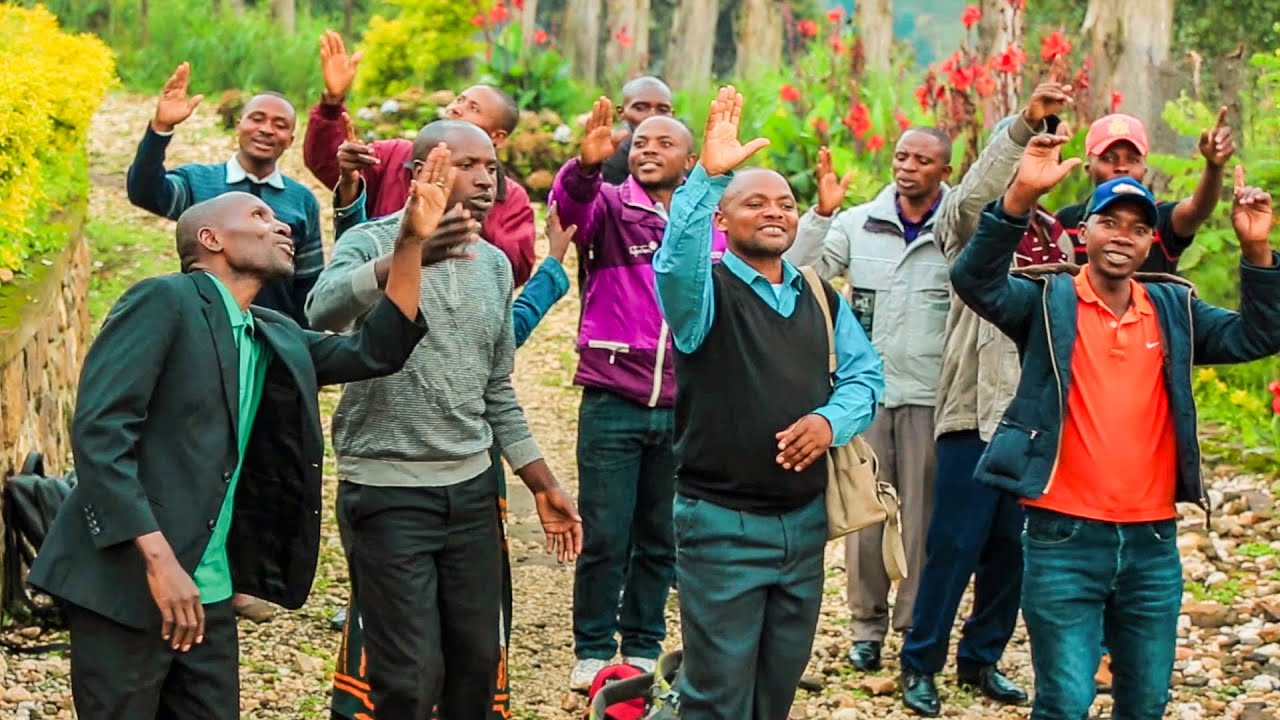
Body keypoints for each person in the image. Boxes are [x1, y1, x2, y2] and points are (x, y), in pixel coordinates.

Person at [27, 145, 461, 719]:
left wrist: (409, 242)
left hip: (209, 596)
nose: (281, 223)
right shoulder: (164, 301)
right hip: (129, 584)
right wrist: (160, 563)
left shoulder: (271, 334)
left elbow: (376, 350)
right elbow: (102, 435)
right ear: (212, 240)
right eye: (258, 217)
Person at [951, 127, 1280, 720]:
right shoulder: (1047, 302)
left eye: (1137, 227)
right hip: (1062, 538)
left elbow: (1258, 335)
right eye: (1110, 222)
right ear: (1085, 232)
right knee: (1067, 699)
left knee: (1146, 701)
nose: (1122, 236)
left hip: (1153, 543)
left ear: (1151, 239)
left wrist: (1257, 251)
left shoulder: (1175, 309)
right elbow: (973, 280)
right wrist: (1020, 196)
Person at [306, 118, 583, 720]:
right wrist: (409, 252)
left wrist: (542, 482)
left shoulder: (492, 266)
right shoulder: (372, 242)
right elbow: (321, 310)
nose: (486, 178)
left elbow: (495, 388)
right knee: (406, 679)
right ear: (418, 173)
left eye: (491, 167)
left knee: (476, 669)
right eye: (466, 165)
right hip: (387, 491)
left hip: (471, 494)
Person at [654, 86, 885, 720]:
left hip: (805, 524)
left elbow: (867, 378)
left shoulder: (818, 294)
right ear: (722, 221)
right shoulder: (707, 296)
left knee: (775, 688)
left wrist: (828, 420)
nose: (776, 212)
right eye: (754, 202)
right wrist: (707, 176)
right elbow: (675, 265)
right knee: (716, 694)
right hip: (721, 524)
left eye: (785, 203)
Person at [897, 81, 1072, 716]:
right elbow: (972, 195)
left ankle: (982, 659)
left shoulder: (1061, 240)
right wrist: (1022, 128)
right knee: (954, 544)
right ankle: (920, 662)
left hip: (1037, 423)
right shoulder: (974, 229)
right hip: (975, 410)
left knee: (1013, 551)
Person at [549, 98, 709, 690]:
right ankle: (592, 648)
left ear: (691, 161)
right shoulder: (611, 209)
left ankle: (642, 645)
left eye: (664, 143)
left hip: (681, 407)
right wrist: (585, 169)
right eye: (639, 141)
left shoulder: (707, 223)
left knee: (659, 535)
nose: (647, 149)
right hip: (612, 398)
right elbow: (568, 210)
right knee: (605, 533)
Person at [785, 127, 951, 675]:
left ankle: (913, 627)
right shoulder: (858, 223)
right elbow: (802, 271)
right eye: (901, 155)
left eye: (923, 161)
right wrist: (822, 215)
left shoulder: (958, 233)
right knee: (865, 512)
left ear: (944, 173)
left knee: (924, 521)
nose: (908, 167)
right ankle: (866, 627)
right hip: (869, 396)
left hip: (932, 398)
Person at [303, 31, 536, 285]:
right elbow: (325, 163)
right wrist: (332, 104)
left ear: (497, 136)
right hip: (379, 297)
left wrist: (474, 213)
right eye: (460, 100)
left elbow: (514, 273)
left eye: (474, 109)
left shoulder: (508, 198)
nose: (456, 108)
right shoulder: (394, 155)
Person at [126, 62, 324, 331]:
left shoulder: (301, 200)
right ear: (238, 125)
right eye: (257, 119)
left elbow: (309, 282)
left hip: (274, 337)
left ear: (290, 139)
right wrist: (161, 129)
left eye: (280, 125)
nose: (266, 129)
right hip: (204, 329)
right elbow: (145, 192)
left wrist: (302, 345)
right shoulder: (198, 182)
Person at [1056, 108, 1234, 273]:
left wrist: (1213, 167)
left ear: (1144, 171)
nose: (1121, 167)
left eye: (1133, 159)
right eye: (1108, 158)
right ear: (1089, 169)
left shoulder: (1161, 219)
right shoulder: (1064, 222)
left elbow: (1198, 208)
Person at [601, 76, 675, 185]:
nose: (652, 116)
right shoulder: (614, 151)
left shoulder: (679, 148)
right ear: (621, 113)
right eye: (640, 108)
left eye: (662, 110)